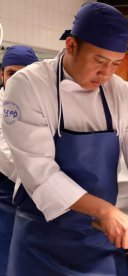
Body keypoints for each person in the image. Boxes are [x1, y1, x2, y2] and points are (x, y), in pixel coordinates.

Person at [2, 3, 128, 275]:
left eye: (116, 64)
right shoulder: (28, 85)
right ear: (71, 45)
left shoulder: (122, 93)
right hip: (42, 240)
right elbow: (39, 172)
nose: (107, 74)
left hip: (101, 239)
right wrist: (105, 210)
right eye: (99, 60)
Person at [0, 45, 38, 276]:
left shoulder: (44, 104)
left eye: (25, 73)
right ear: (2, 74)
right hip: (7, 190)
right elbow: (4, 153)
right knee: (5, 252)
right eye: (13, 73)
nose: (18, 79)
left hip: (38, 191)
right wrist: (40, 181)